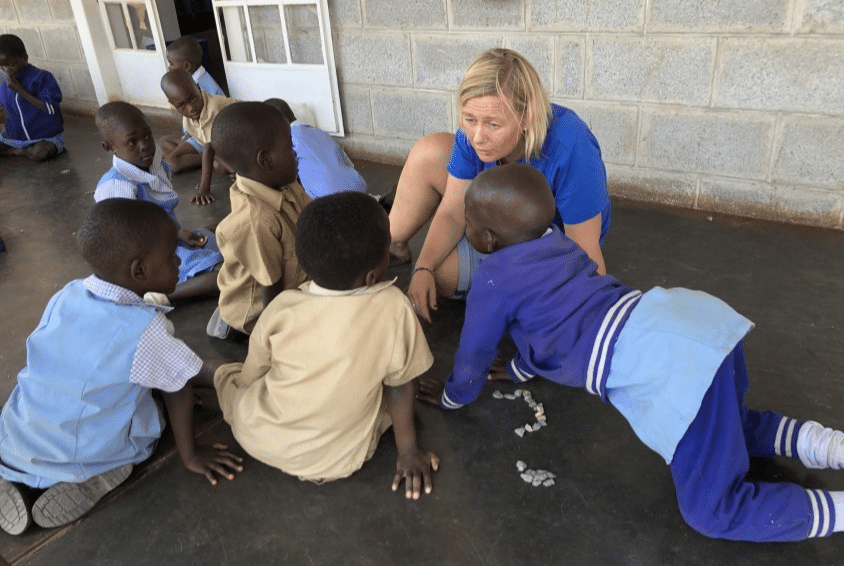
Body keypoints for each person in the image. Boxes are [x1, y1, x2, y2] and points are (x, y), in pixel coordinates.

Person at [423, 162, 844, 542]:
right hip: (694, 321)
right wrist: (518, 366)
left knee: (711, 511)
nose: (466, 230)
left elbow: (474, 354)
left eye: (469, 223)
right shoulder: (559, 243)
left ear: (487, 237)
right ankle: (831, 447)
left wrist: (453, 396)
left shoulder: (493, 279)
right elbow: (554, 322)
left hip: (673, 367)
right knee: (728, 424)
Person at [0, 199, 243, 536]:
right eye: (172, 254)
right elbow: (179, 393)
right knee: (155, 414)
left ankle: (15, 474)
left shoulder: (69, 294)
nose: (177, 260)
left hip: (22, 428)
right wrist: (191, 454)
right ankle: (94, 472)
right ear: (138, 271)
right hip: (83, 447)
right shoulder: (145, 330)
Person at [214, 191, 439, 497]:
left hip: (260, 437)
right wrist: (409, 451)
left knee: (230, 375)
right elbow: (399, 389)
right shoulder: (393, 306)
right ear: (373, 275)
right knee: (400, 385)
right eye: (388, 247)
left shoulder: (282, 306)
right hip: (337, 458)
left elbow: (253, 373)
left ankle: (203, 376)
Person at [390, 48, 610, 323]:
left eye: (493, 124)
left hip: (545, 248)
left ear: (527, 117)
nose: (478, 137)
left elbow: (584, 251)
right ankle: (394, 233)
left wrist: (575, 332)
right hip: (494, 219)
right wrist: (422, 268)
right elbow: (452, 211)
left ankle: (510, 298)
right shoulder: (471, 138)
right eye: (469, 120)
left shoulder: (572, 147)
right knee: (429, 155)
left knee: (443, 274)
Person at [94, 101, 222, 304]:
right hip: (149, 256)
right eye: (132, 142)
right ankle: (160, 298)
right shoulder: (116, 186)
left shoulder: (153, 165)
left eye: (146, 135)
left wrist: (177, 234)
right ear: (109, 147)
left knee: (222, 229)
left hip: (169, 240)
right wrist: (174, 236)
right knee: (223, 277)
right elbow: (128, 236)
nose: (144, 144)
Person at [206, 101, 311, 339]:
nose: (295, 153)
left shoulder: (285, 182)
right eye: (290, 146)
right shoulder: (256, 221)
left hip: (292, 281)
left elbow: (313, 215)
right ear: (266, 160)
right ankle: (231, 319)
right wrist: (273, 340)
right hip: (262, 311)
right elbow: (271, 289)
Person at [263, 97, 367, 199]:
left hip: (328, 200)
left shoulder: (286, 141)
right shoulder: (320, 132)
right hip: (359, 187)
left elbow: (285, 181)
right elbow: (347, 163)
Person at [160, 69, 236, 204]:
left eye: (193, 98)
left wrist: (204, 189)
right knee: (164, 143)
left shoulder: (213, 107)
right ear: (172, 104)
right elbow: (203, 142)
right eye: (181, 105)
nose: (190, 108)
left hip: (246, 139)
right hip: (219, 144)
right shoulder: (188, 118)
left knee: (225, 168)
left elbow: (208, 149)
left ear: (198, 88)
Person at [159, 36, 226, 175]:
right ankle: (195, 158)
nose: (169, 67)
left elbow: (208, 127)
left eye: (171, 64)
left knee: (171, 162)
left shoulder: (200, 87)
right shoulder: (191, 80)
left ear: (187, 66)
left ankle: (206, 158)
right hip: (195, 134)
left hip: (207, 137)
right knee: (164, 141)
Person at [0, 34, 63, 161]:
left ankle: (16, 153)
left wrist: (21, 91)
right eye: (2, 66)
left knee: (41, 153)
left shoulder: (42, 78)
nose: (7, 70)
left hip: (44, 137)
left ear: (25, 57)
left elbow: (51, 109)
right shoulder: (4, 85)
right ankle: (18, 149)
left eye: (11, 64)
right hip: (14, 138)